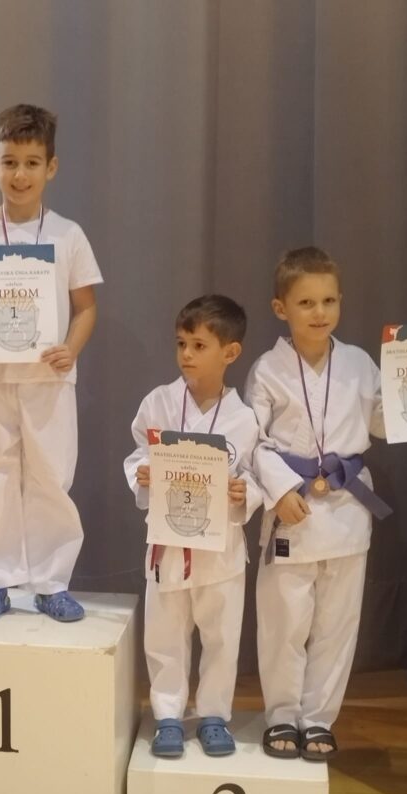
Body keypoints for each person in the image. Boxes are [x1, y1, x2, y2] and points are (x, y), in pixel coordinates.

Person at [0, 103, 102, 624]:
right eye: (10, 162)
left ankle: (52, 582)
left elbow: (86, 307)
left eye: (32, 163)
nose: (20, 174)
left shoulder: (67, 235)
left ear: (50, 168)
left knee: (51, 478)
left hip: (48, 378)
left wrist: (71, 348)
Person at [246, 246, 390, 760]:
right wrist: (280, 490)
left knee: (336, 625)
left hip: (347, 510)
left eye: (329, 300)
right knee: (284, 624)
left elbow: (381, 424)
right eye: (306, 302)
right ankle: (283, 715)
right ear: (281, 308)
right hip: (293, 509)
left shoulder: (359, 363)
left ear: (341, 302)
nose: (319, 312)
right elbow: (252, 441)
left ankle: (318, 720)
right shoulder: (267, 370)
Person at [124, 295, 261, 757]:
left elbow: (255, 474)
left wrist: (245, 492)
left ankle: (215, 715)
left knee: (222, 637)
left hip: (221, 551)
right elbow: (137, 453)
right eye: (181, 343)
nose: (186, 354)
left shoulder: (244, 418)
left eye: (199, 345)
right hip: (168, 544)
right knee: (164, 635)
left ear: (230, 352)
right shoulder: (159, 402)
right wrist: (142, 472)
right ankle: (167, 714)